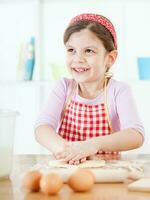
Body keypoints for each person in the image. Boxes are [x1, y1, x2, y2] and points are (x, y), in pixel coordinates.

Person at [34, 13, 144, 165]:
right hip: (67, 170)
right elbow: (42, 128)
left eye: (89, 51)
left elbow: (135, 135)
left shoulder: (118, 91)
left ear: (110, 58)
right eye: (71, 50)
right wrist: (66, 150)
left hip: (107, 172)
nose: (78, 59)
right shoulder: (64, 87)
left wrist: (92, 145)